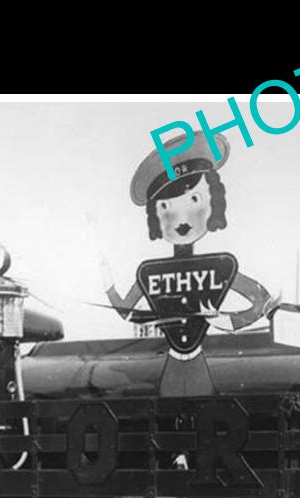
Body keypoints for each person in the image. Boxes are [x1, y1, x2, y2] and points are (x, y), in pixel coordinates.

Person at [102, 134, 278, 395]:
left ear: (212, 202)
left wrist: (222, 321)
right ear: (155, 215)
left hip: (198, 364)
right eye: (166, 207)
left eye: (194, 199)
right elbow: (127, 310)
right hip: (172, 365)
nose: (180, 218)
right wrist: (106, 279)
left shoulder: (221, 266)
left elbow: (260, 302)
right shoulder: (150, 272)